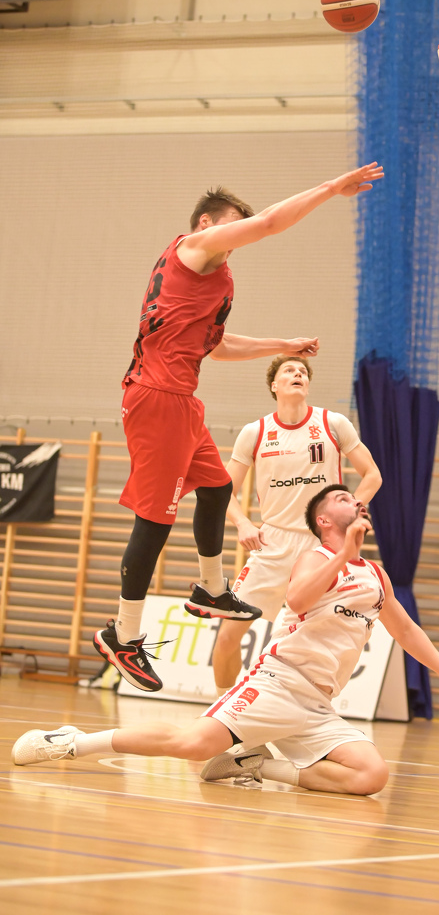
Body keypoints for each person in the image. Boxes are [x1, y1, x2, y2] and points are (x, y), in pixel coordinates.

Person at [94, 162, 385, 694]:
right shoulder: (193, 247)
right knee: (154, 521)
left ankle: (211, 589)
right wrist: (330, 188)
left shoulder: (213, 279)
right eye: (232, 226)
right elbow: (270, 222)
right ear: (207, 223)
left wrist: (282, 345)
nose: (238, 238)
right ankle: (123, 634)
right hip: (156, 396)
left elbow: (218, 346)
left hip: (182, 399)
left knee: (217, 487)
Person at [13, 485, 439, 795]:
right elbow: (298, 599)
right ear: (324, 520)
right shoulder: (315, 558)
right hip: (277, 684)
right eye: (344, 498)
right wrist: (343, 554)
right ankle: (73, 742)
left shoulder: (376, 575)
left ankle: (256, 765)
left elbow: (404, 629)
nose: (356, 501)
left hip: (318, 704)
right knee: (193, 743)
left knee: (371, 775)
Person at [211, 354, 382, 696]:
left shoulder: (333, 423)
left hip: (320, 547)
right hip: (272, 544)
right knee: (228, 635)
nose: (298, 374)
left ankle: (308, 711)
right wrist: (243, 523)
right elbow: (222, 492)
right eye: (289, 370)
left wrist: (349, 515)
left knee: (316, 643)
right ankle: (222, 710)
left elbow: (372, 475)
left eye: (303, 371)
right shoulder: (255, 432)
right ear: (274, 385)